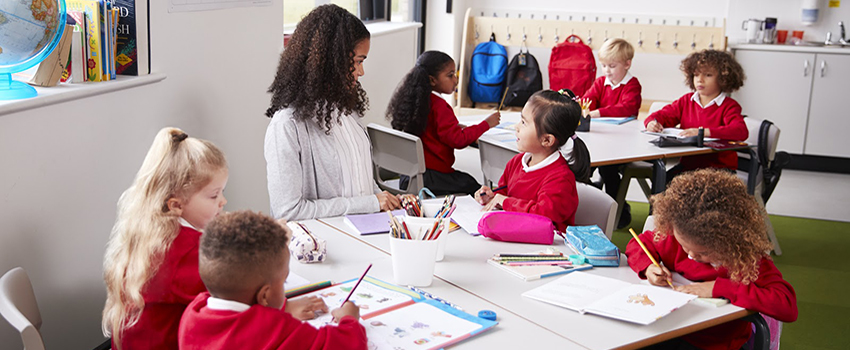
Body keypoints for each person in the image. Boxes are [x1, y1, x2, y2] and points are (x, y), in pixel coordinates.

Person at [627, 169, 797, 350]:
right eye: (685, 246)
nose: (691, 255)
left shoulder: (747, 260)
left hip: (716, 343)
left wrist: (719, 288)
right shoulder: (674, 239)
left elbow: (787, 306)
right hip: (668, 329)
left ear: (728, 241)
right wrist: (648, 267)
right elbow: (639, 244)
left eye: (703, 253)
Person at [265, 4, 400, 221]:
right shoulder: (287, 126)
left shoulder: (347, 112)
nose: (361, 72)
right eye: (357, 62)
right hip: (327, 247)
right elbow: (287, 211)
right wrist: (369, 203)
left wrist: (382, 198)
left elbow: (360, 179)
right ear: (330, 62)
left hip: (364, 236)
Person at [101, 127, 228, 350]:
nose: (223, 202)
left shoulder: (151, 231)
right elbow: (231, 299)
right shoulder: (185, 250)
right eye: (214, 195)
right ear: (176, 205)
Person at [178, 211, 366, 349]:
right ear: (264, 296)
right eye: (283, 282)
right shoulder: (274, 329)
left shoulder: (192, 314)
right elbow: (346, 345)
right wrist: (349, 319)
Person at [474, 90, 590, 232]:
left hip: (548, 246)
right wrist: (492, 197)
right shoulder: (517, 162)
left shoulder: (561, 178)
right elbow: (506, 192)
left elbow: (544, 215)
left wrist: (505, 201)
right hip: (516, 232)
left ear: (547, 140)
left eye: (524, 123)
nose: (517, 127)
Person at [387, 50, 500, 195]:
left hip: (409, 177)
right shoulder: (440, 106)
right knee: (474, 187)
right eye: (450, 75)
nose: (456, 80)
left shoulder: (416, 101)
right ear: (432, 80)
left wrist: (458, 128)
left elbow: (434, 129)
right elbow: (458, 140)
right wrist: (486, 124)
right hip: (432, 178)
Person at [644, 50, 748, 182]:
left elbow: (740, 131)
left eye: (708, 75)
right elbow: (664, 114)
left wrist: (702, 132)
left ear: (723, 78)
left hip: (719, 170)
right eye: (696, 74)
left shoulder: (729, 106)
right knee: (660, 184)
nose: (700, 79)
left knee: (687, 191)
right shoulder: (686, 101)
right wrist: (652, 122)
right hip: (689, 167)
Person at [581, 38, 642, 229]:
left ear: (627, 64)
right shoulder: (601, 82)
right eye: (604, 65)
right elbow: (587, 101)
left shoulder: (632, 85)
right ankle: (591, 201)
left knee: (609, 170)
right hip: (600, 141)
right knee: (582, 165)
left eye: (612, 66)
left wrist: (597, 112)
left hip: (622, 144)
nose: (607, 70)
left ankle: (619, 210)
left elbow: (626, 108)